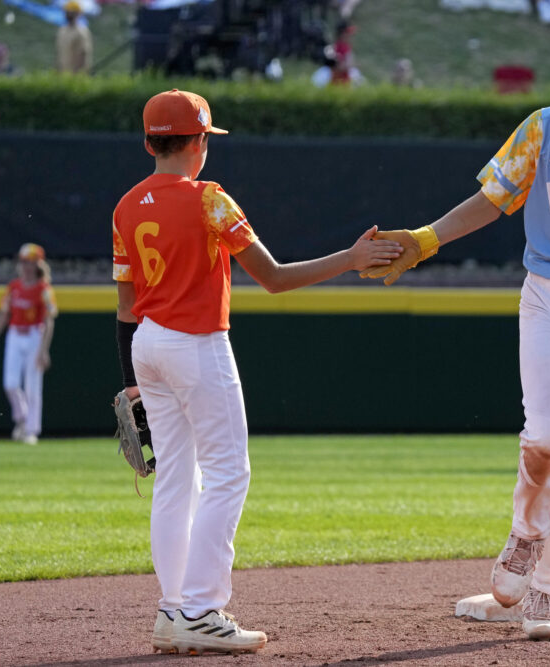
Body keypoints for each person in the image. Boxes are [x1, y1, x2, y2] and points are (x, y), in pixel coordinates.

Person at [362, 12, 550, 640]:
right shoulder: (547, 126)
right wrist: (427, 238)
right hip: (547, 296)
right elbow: (495, 197)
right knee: (548, 434)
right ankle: (524, 539)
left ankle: (547, 593)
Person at [113, 89, 400, 655]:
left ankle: (175, 609)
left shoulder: (125, 205)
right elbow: (273, 278)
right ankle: (200, 609)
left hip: (146, 346)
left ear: (150, 142)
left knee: (176, 478)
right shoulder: (210, 199)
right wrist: (350, 258)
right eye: (205, 140)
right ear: (197, 143)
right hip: (196, 345)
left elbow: (126, 306)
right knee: (227, 474)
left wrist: (129, 378)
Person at [0, 243, 57, 446]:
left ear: (38, 264)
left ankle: (30, 430)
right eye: (23, 261)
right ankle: (22, 417)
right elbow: (2, 316)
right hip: (15, 335)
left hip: (35, 335)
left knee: (32, 386)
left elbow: (49, 319)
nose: (26, 266)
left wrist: (44, 350)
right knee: (10, 384)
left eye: (30, 262)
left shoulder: (43, 288)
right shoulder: (14, 287)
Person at [56, 0, 92, 74]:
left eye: (71, 12)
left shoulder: (82, 32)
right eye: (67, 12)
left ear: (77, 14)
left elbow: (84, 54)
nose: (68, 14)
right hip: (63, 72)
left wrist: (80, 72)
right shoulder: (62, 31)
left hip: (76, 74)